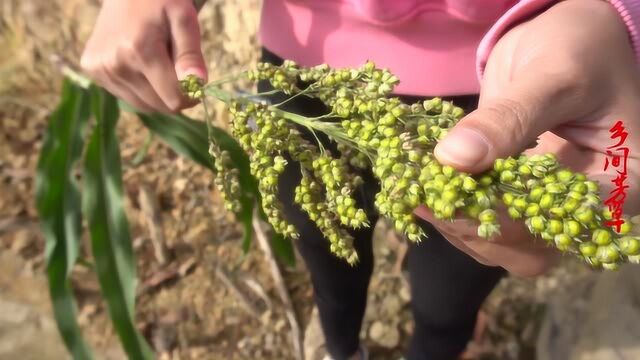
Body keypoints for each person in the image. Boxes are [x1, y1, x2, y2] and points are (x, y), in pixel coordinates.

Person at [80, 0, 640, 359]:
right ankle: (342, 348)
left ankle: (439, 347)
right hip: (299, 78)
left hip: (502, 78)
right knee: (326, 252)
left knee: (450, 297)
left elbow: (614, 192)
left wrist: (617, 17)